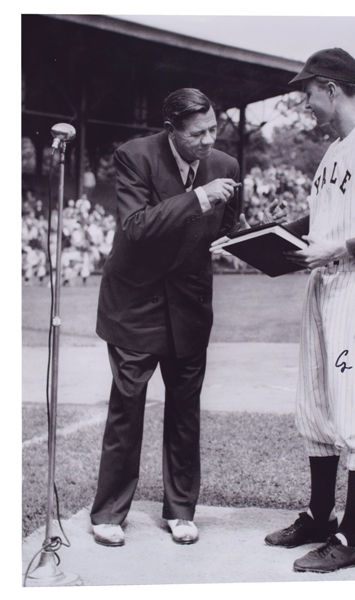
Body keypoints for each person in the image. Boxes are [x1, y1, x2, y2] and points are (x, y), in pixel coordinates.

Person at [264, 48, 355, 573]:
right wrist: (269, 234)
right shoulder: (333, 153)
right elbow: (325, 216)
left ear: (331, 87)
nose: (303, 100)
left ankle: (349, 540)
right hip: (326, 285)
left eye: (307, 90)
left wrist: (337, 249)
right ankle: (320, 516)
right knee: (316, 405)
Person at [90, 88, 243, 547]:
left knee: (185, 410)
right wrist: (198, 197)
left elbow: (229, 229)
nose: (208, 140)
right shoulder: (134, 155)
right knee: (127, 407)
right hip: (136, 305)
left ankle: (180, 510)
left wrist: (258, 232)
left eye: (213, 129)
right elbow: (135, 227)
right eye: (197, 133)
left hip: (191, 305)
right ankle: (110, 513)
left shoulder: (226, 167)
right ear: (171, 130)